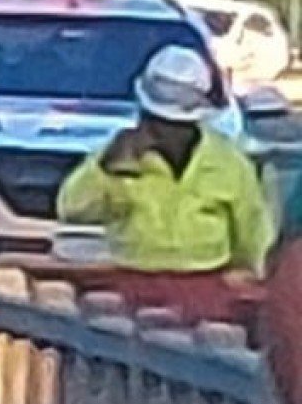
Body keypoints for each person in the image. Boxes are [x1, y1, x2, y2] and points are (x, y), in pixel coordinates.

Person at [55, 44, 274, 326]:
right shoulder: (119, 155)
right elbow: (71, 207)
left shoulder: (229, 163)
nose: (161, 130)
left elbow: (254, 236)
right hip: (131, 288)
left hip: (207, 293)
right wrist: (105, 168)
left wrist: (251, 283)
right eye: (154, 120)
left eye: (172, 124)